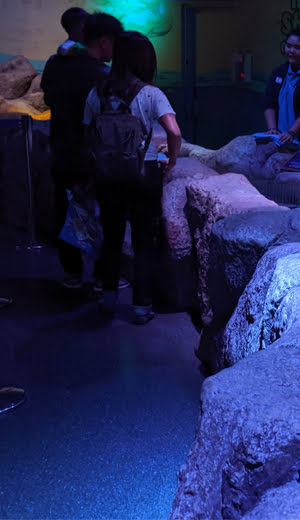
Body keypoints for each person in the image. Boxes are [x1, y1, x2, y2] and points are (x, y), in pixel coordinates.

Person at [83, 30, 181, 325]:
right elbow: (174, 131)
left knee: (111, 237)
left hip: (107, 176)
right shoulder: (151, 94)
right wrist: (172, 158)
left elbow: (86, 131)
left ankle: (109, 299)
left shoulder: (97, 91)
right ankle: (141, 307)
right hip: (143, 174)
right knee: (143, 242)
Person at [41, 12, 123, 290]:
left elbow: (47, 97)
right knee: (103, 215)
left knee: (65, 211)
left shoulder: (54, 64)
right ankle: (103, 277)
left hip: (62, 150)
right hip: (92, 155)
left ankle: (72, 274)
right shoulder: (99, 73)